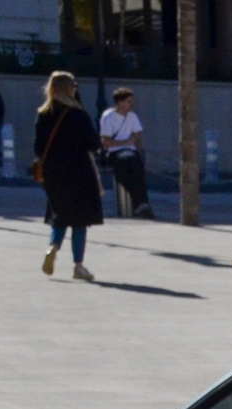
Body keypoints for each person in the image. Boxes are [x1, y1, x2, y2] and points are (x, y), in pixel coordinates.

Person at [33, 71, 102, 281]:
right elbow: (93, 143)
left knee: (59, 214)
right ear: (69, 88)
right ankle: (78, 266)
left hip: (53, 173)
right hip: (79, 171)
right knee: (80, 221)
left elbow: (38, 147)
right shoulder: (78, 114)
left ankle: (53, 247)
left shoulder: (43, 114)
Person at [100, 86, 150, 218]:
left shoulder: (132, 116)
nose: (131, 104)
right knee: (125, 176)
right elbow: (105, 141)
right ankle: (140, 204)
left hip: (131, 152)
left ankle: (142, 205)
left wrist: (138, 149)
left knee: (138, 176)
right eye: (128, 101)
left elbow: (137, 136)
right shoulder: (108, 117)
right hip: (115, 152)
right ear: (120, 102)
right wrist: (125, 142)